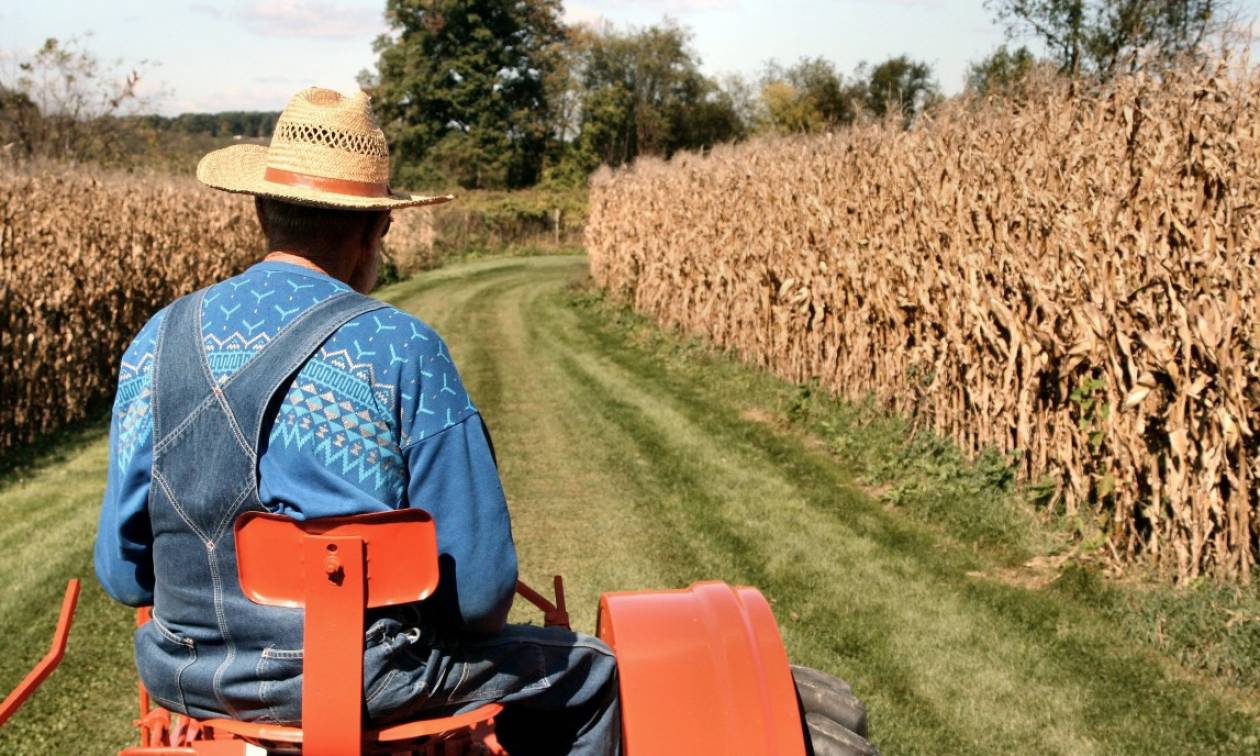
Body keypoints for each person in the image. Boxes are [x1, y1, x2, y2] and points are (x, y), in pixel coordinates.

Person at [93, 87, 620, 756]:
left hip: (185, 676)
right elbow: (482, 595)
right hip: (364, 681)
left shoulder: (155, 342)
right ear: (377, 228)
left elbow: (123, 573)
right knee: (594, 670)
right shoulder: (401, 350)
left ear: (261, 211)